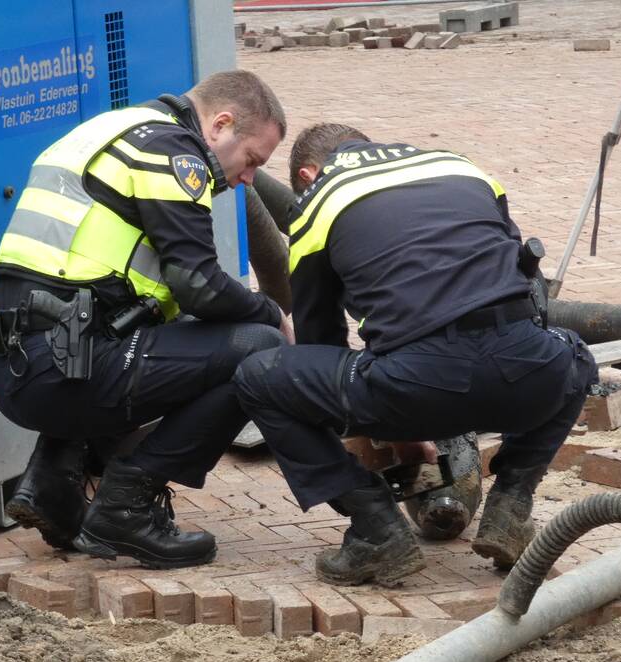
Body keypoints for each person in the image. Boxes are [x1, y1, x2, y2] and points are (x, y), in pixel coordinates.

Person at [233, 123, 597, 586]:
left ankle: (376, 530)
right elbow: (524, 282)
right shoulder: (463, 168)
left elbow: (320, 343)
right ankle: (512, 504)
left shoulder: (318, 202)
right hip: (529, 377)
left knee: (259, 377)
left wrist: (390, 426)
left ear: (306, 174)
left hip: (417, 386)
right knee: (575, 355)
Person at [0, 70, 292, 570]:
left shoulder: (111, 129)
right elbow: (199, 284)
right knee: (258, 346)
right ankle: (128, 506)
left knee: (154, 330)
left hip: (13, 364)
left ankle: (52, 486)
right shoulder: (173, 152)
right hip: (64, 371)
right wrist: (272, 313)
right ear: (220, 125)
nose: (249, 179)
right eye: (252, 160)